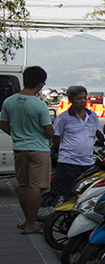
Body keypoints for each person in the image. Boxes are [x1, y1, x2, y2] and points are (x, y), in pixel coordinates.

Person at [0, 66, 53, 234]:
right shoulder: (39, 105)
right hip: (38, 150)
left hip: (19, 148)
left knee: (22, 185)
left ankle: (26, 220)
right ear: (41, 85)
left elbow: (2, 123)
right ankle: (31, 224)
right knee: (36, 186)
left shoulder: (9, 101)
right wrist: (48, 136)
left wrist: (16, 135)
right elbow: (48, 130)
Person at [51, 86, 101, 200]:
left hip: (87, 162)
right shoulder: (63, 118)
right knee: (69, 195)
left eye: (84, 98)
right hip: (68, 162)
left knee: (85, 196)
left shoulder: (92, 116)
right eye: (79, 99)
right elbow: (56, 137)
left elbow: (97, 134)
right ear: (71, 100)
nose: (83, 101)